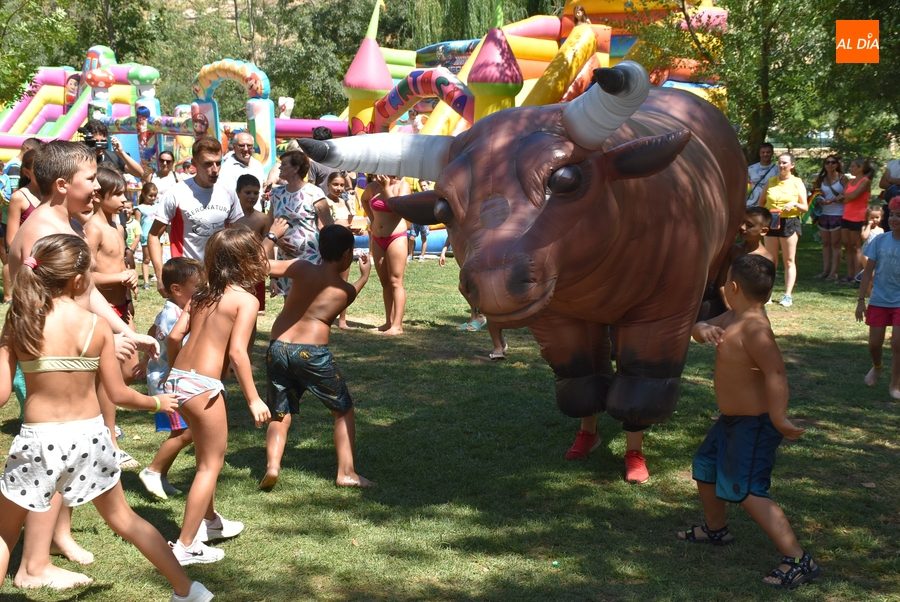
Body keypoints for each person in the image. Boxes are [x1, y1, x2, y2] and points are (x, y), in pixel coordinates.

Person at [0, 234, 214, 602]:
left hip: (38, 441)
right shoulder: (96, 326)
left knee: (5, 533)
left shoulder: (19, 321)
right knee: (125, 520)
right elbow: (117, 395)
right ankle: (188, 590)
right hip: (90, 438)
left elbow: (2, 394)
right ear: (80, 280)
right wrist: (158, 403)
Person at [7, 141, 160, 589]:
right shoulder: (44, 229)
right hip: (44, 352)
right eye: (91, 179)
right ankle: (34, 564)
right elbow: (70, 296)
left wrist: (123, 332)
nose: (98, 186)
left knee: (58, 455)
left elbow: (85, 291)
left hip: (61, 345)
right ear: (61, 185)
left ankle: (49, 549)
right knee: (52, 455)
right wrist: (114, 336)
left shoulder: (64, 222)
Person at [682, 253, 820, 590]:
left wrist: (778, 417)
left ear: (731, 286)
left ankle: (798, 559)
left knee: (747, 489)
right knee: (705, 466)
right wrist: (704, 328)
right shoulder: (733, 316)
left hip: (755, 424)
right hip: (730, 421)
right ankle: (716, 530)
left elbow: (775, 372)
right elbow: (695, 331)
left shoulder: (755, 328)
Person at [163, 227, 270, 565]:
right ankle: (185, 546)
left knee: (202, 455)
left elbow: (175, 336)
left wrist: (173, 372)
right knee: (210, 464)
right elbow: (238, 353)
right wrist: (254, 399)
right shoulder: (247, 299)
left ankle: (209, 522)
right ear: (250, 260)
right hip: (203, 387)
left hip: (179, 381)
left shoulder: (199, 296)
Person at [260, 225, 374, 490]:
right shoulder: (344, 290)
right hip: (312, 353)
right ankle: (346, 472)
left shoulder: (301, 268)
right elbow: (350, 292)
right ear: (348, 254)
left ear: (319, 248)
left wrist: (271, 237)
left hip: (278, 347)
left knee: (280, 413)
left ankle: (273, 466)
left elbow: (260, 265)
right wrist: (364, 277)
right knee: (343, 410)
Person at [84, 166, 142, 468]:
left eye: (123, 192)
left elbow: (120, 264)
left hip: (123, 307)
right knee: (109, 377)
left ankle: (100, 423)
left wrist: (128, 279)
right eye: (116, 194)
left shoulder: (117, 226)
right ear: (99, 197)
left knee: (131, 371)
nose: (123, 199)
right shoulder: (92, 228)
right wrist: (119, 276)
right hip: (103, 310)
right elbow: (86, 277)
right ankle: (109, 440)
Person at [139, 257, 204, 500]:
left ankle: (161, 475)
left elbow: (151, 333)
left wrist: (146, 359)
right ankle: (153, 470)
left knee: (183, 431)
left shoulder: (171, 310)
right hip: (170, 386)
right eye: (197, 287)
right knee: (184, 433)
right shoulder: (174, 317)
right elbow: (181, 345)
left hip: (170, 382)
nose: (203, 292)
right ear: (176, 290)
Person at [147, 137, 244, 298]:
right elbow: (153, 235)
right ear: (194, 163)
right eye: (208, 163)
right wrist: (160, 275)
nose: (215, 169)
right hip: (185, 278)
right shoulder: (176, 193)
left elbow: (235, 235)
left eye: (218, 163)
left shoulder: (228, 192)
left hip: (220, 276)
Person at [267, 150, 334, 297]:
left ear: (296, 168)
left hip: (311, 260)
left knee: (310, 304)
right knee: (289, 305)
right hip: (285, 261)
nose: (280, 168)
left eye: (284, 164)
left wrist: (330, 263)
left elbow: (330, 227)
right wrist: (277, 242)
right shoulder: (276, 194)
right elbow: (269, 228)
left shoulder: (314, 193)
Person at [857, 197, 900, 398]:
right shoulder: (880, 240)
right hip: (879, 300)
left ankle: (895, 384)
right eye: (892, 215)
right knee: (874, 344)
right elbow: (867, 272)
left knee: (897, 343)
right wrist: (860, 301)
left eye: (898, 216)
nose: (894, 219)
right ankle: (877, 366)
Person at [361, 174, 411, 336]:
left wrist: (387, 188)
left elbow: (397, 207)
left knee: (396, 281)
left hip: (396, 238)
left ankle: (397, 325)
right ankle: (388, 322)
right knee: (385, 283)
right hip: (377, 238)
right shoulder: (372, 187)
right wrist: (373, 218)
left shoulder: (403, 186)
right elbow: (364, 199)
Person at [759, 152, 808, 307]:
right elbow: (761, 203)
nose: (781, 165)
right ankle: (768, 293)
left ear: (792, 165)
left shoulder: (797, 182)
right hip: (772, 221)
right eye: (779, 162)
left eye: (785, 163)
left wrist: (794, 204)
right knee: (770, 260)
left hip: (789, 222)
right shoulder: (771, 181)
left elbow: (805, 207)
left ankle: (787, 295)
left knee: (788, 260)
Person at [234, 174, 273, 315]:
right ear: (238, 193)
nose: (252, 196)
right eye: (247, 192)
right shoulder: (230, 217)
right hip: (233, 270)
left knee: (253, 311)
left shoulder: (263, 219)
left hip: (255, 270)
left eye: (256, 193)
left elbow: (268, 245)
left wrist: (272, 275)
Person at [835, 157, 874, 285]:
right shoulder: (850, 182)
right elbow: (844, 197)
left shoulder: (865, 181)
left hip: (858, 217)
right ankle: (849, 274)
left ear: (860, 168)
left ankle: (857, 276)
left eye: (852, 166)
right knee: (847, 245)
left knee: (856, 246)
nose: (850, 169)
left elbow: (852, 196)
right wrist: (845, 197)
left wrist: (845, 197)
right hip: (846, 215)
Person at [811, 155, 847, 281]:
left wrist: (834, 199)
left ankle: (834, 272)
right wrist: (820, 199)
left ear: (837, 164)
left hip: (838, 213)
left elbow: (847, 193)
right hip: (823, 214)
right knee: (826, 244)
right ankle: (825, 271)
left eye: (833, 162)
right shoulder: (821, 179)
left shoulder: (842, 178)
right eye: (827, 162)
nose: (830, 164)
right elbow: (815, 193)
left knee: (836, 244)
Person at [217, 132, 266, 211]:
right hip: (238, 218)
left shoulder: (257, 165)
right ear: (234, 146)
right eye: (241, 145)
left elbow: (263, 186)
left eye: (249, 145)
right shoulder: (227, 168)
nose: (246, 149)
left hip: (257, 216)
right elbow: (227, 197)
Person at [5, 148, 42, 248]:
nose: (45, 174)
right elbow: (11, 240)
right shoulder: (19, 197)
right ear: (26, 172)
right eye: (39, 170)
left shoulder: (55, 193)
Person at [137, 182, 159, 288]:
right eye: (150, 195)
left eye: (155, 196)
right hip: (146, 235)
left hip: (158, 236)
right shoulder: (139, 208)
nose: (153, 198)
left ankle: (160, 280)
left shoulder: (158, 207)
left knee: (158, 258)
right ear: (144, 194)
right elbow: (137, 224)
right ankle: (146, 282)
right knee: (146, 259)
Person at [747, 142, 776, 209]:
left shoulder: (777, 170)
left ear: (772, 153)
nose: (765, 154)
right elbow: (746, 187)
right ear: (760, 154)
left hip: (769, 205)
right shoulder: (751, 169)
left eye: (768, 152)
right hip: (752, 205)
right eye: (763, 152)